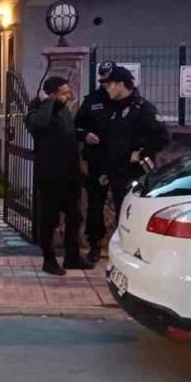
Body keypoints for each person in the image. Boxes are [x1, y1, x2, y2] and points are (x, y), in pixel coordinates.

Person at [26, 77, 91, 276]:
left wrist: (84, 137)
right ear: (51, 94)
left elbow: (68, 134)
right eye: (64, 93)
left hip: (70, 173)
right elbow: (39, 125)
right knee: (49, 219)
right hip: (50, 175)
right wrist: (48, 103)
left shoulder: (64, 110)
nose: (69, 96)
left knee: (75, 216)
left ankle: (72, 256)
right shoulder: (37, 110)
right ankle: (49, 259)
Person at [99, 66, 170, 217]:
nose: (106, 89)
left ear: (120, 84)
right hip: (117, 174)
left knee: (135, 216)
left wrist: (141, 153)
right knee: (121, 215)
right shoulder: (115, 109)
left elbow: (162, 137)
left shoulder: (143, 108)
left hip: (136, 174)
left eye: (109, 85)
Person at [75, 61, 118, 264]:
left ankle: (124, 246)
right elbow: (76, 127)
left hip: (122, 162)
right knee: (95, 205)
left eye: (110, 82)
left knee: (125, 204)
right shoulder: (92, 101)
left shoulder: (129, 102)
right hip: (97, 159)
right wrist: (86, 136)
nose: (107, 86)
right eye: (104, 82)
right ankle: (94, 245)